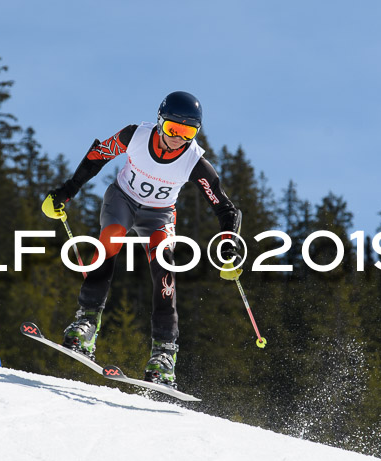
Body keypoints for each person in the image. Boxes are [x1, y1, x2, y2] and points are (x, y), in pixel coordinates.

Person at [42, 91, 242, 388]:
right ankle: (86, 322)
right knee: (110, 239)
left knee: (165, 270)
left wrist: (230, 245)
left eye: (187, 132)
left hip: (159, 215)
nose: (178, 138)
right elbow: (97, 156)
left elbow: (226, 209)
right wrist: (67, 191)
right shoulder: (134, 135)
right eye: (173, 128)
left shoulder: (194, 162)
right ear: (160, 121)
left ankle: (164, 354)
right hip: (122, 199)